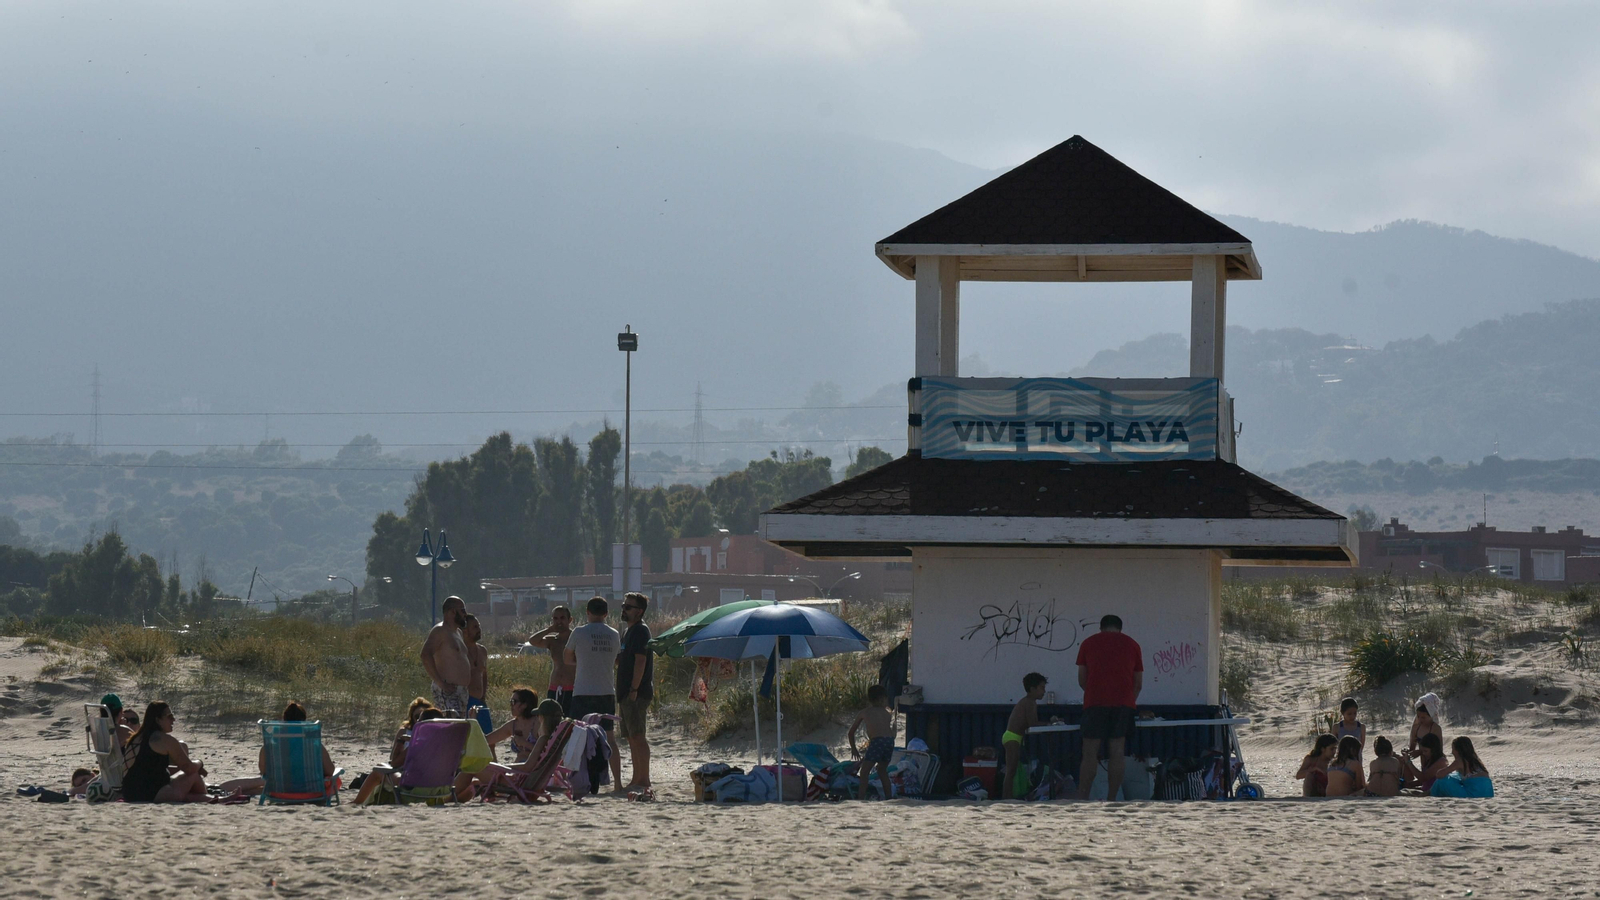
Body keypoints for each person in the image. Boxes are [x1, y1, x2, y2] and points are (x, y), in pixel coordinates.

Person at [1075, 614, 1143, 801]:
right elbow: (1138, 682)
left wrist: (1093, 692)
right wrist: (1129, 700)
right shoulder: (1132, 645)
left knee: (1089, 752)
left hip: (1095, 702)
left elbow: (1082, 679)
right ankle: (1112, 798)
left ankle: (1083, 797)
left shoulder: (1088, 643)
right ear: (1120, 628)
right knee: (1117, 751)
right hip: (1123, 703)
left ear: (1101, 627)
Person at [218, 700, 337, 797]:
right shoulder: (315, 746)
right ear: (304, 721)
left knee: (258, 785)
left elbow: (263, 772)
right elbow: (330, 771)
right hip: (311, 790)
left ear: (284, 720)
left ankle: (229, 793)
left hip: (280, 789)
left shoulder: (270, 747)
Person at [564, 595, 622, 791]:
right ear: (606, 614)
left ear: (587, 613)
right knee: (610, 737)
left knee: (578, 735)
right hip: (606, 690)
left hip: (582, 691)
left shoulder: (579, 632)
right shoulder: (614, 634)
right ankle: (618, 783)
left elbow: (567, 658)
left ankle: (575, 780)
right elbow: (616, 659)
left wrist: (583, 662)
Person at [121, 701, 210, 803]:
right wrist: (200, 763)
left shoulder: (136, 738)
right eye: (169, 716)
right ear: (158, 720)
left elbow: (144, 768)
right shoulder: (164, 739)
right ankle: (207, 797)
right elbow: (189, 768)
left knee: (188, 794)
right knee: (194, 774)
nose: (173, 719)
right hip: (152, 794)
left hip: (130, 794)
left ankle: (209, 798)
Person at [354, 708, 445, 805]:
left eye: (419, 719)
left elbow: (394, 763)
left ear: (422, 724)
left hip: (414, 788)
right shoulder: (446, 744)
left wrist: (401, 741)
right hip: (440, 786)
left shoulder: (420, 743)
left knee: (379, 769)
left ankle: (357, 802)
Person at [616, 591, 654, 790]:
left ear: (639, 611)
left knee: (638, 735)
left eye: (628, 607)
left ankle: (644, 779)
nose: (623, 609)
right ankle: (636, 778)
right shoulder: (628, 631)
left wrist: (634, 689)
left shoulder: (641, 631)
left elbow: (641, 661)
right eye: (623, 605)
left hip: (636, 693)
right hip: (625, 692)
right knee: (631, 737)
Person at [420, 596, 473, 717]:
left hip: (462, 691)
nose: (465, 614)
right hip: (448, 690)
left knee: (460, 729)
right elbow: (425, 655)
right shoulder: (440, 631)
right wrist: (440, 683)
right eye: (463, 610)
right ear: (452, 611)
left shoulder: (458, 633)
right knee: (451, 727)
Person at [1001, 672, 1049, 800]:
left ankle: (1008, 797)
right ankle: (1006, 798)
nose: (1044, 691)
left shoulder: (1029, 702)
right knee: (1011, 771)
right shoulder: (1029, 702)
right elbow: (1032, 723)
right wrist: (1049, 723)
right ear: (1032, 689)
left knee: (1013, 770)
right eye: (1042, 688)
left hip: (1014, 738)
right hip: (1012, 738)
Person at [849, 685, 896, 801]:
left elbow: (851, 732)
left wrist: (853, 748)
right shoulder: (886, 713)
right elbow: (890, 732)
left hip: (878, 741)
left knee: (864, 772)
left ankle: (861, 798)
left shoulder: (864, 712)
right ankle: (888, 797)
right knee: (882, 770)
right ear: (882, 699)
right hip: (889, 741)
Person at [529, 606, 576, 714]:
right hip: (555, 687)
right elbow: (533, 640)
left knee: (569, 722)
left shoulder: (576, 638)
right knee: (551, 721)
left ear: (569, 620)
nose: (559, 621)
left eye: (562, 618)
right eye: (555, 618)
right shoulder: (553, 640)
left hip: (571, 688)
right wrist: (549, 630)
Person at [462, 614, 493, 736]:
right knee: (468, 738)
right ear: (465, 630)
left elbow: (484, 674)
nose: (479, 630)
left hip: (480, 701)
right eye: (475, 627)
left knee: (489, 738)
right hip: (466, 700)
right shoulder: (460, 651)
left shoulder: (482, 650)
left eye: (479, 626)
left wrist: (483, 695)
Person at [1333, 697, 1366, 762]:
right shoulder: (1337, 727)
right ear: (1343, 713)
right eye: (1349, 714)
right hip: (1342, 758)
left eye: (1354, 713)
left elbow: (1361, 745)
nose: (1352, 716)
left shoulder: (1361, 727)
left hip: (1356, 758)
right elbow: (1333, 745)